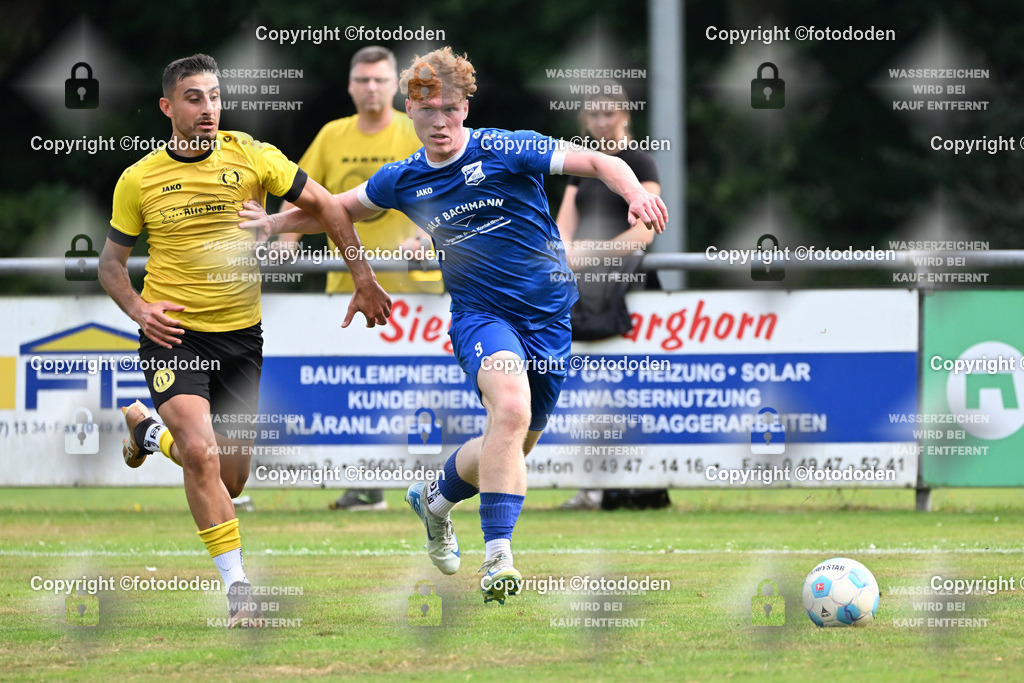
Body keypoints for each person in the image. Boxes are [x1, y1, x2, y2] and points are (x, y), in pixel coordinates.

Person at [239, 47, 667, 604]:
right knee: (509, 410)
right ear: (409, 111)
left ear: (465, 108)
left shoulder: (506, 148)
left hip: (549, 318)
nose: (439, 121)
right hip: (481, 316)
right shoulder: (403, 179)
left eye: (449, 108)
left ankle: (434, 501)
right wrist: (274, 222)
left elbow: (599, 162)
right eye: (426, 109)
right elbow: (335, 206)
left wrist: (634, 192)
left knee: (512, 442)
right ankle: (498, 559)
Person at [98, 53, 391, 627]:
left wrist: (362, 276)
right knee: (203, 454)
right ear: (167, 107)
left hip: (241, 338)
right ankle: (239, 592)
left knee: (228, 477)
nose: (208, 109)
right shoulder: (139, 179)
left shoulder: (253, 156)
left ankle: (148, 431)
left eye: (214, 96)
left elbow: (329, 205)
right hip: (175, 336)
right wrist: (137, 308)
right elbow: (111, 263)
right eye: (193, 98)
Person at [274, 46, 442, 513]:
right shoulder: (332, 135)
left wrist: (423, 237)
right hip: (346, 287)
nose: (372, 88)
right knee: (355, 390)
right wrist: (286, 238)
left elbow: (442, 194)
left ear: (397, 87)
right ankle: (367, 485)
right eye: (363, 80)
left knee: (415, 391)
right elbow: (302, 194)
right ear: (350, 86)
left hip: (415, 292)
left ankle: (438, 486)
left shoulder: (417, 131)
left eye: (380, 80)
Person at [556, 83, 670, 512]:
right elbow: (563, 228)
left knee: (628, 391)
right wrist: (567, 256)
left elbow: (647, 227)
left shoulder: (640, 160)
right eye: (594, 115)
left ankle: (638, 485)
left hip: (627, 290)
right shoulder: (580, 166)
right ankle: (592, 487)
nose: (601, 122)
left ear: (625, 115)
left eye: (609, 114)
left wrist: (593, 255)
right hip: (580, 288)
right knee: (584, 390)